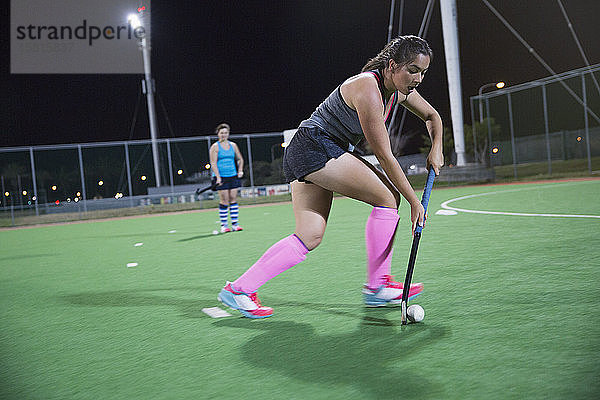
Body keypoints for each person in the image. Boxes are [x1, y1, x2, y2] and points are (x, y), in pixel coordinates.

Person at [218, 36, 444, 318]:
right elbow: (385, 155)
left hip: (308, 149)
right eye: (413, 70)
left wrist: (437, 148)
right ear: (392, 65)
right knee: (389, 198)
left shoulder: (399, 91)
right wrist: (414, 202)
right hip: (316, 146)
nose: (418, 78)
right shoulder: (368, 88)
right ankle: (377, 286)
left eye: (423, 72)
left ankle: (239, 289)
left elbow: (433, 116)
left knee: (309, 235)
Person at [209, 123, 245, 233]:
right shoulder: (215, 147)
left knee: (233, 198)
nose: (224, 135)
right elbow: (213, 163)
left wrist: (240, 170)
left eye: (226, 133)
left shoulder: (233, 145)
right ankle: (224, 226)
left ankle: (235, 224)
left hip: (233, 175)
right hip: (221, 177)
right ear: (218, 134)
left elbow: (240, 159)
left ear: (228, 134)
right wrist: (218, 177)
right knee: (224, 200)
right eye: (221, 133)